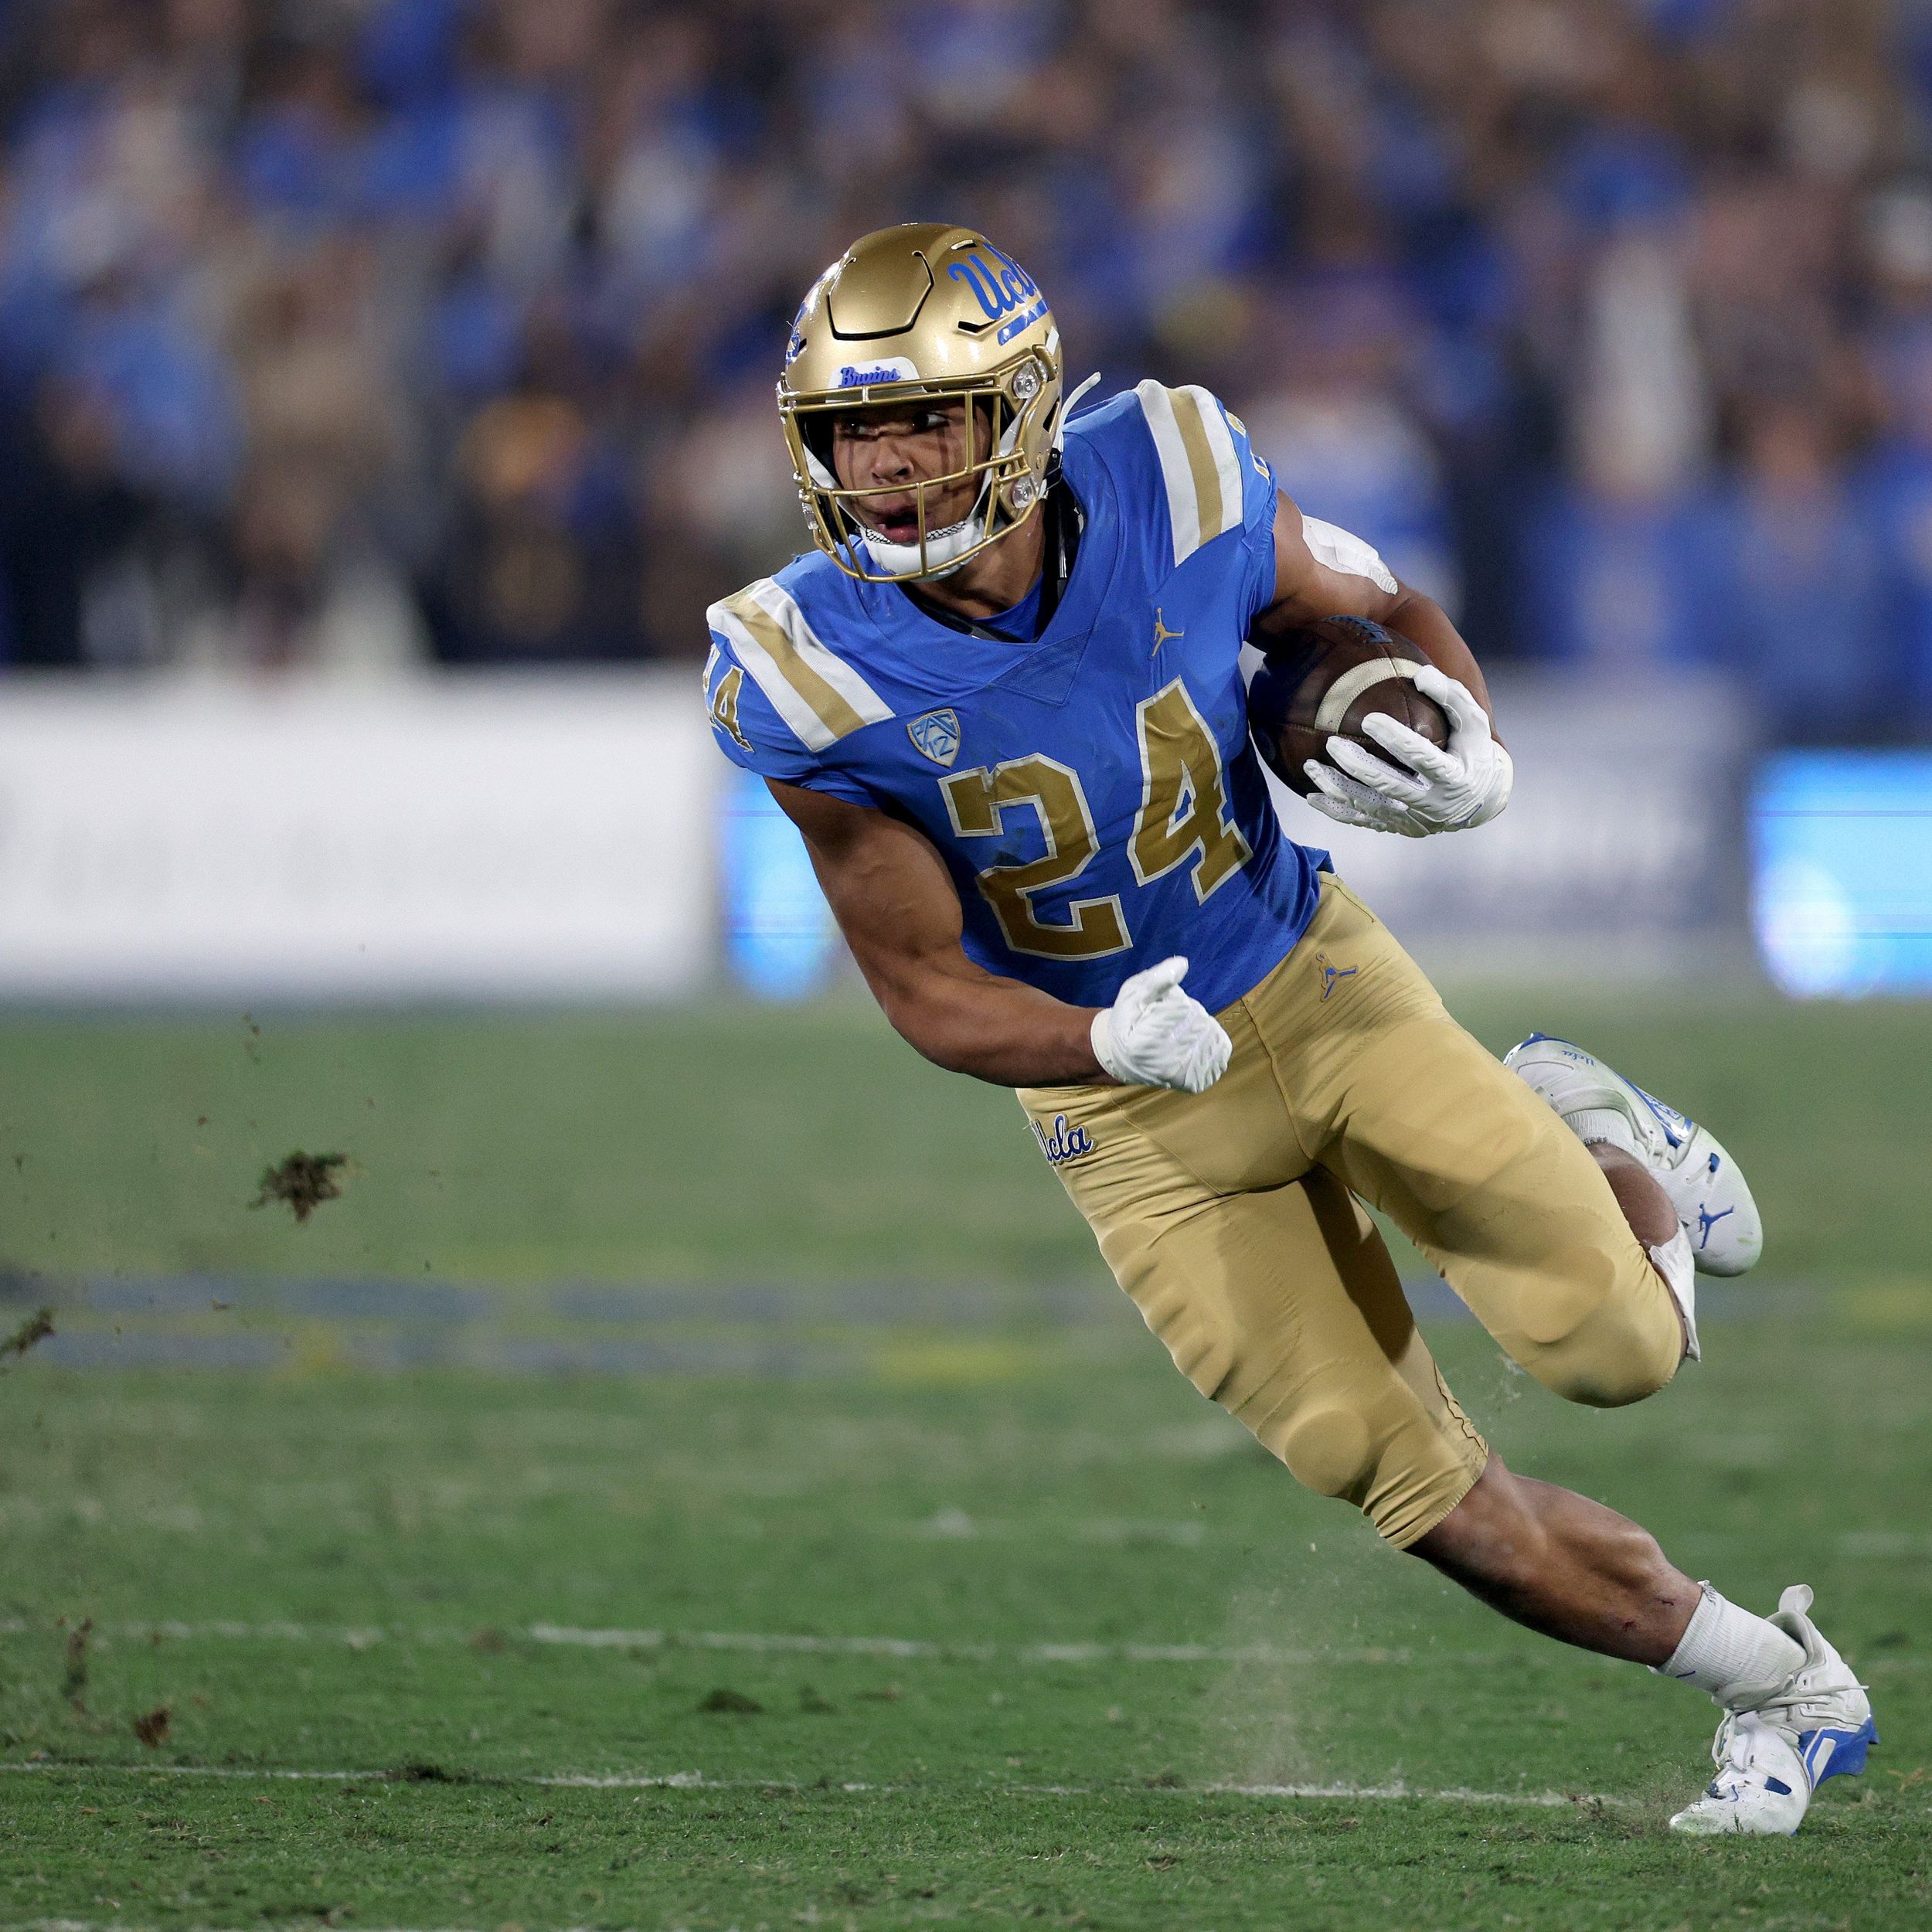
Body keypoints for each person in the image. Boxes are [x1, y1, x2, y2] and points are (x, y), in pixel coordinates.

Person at [700, 223, 1876, 1835]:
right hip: (1130, 1114)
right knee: (1401, 1480)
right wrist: (1102, 1043)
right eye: (853, 433)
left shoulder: (1172, 467)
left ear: (1028, 410)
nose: (890, 468)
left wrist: (1469, 740)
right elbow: (922, 985)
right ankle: (1781, 1686)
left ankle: (1599, 1127)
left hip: (1312, 980)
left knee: (1617, 1349)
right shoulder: (804, 665)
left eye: (928, 421)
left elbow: (1374, 606)